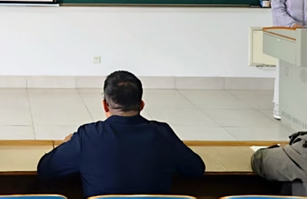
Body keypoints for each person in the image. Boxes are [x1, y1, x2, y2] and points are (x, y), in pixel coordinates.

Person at [36, 70, 205, 197]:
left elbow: (46, 169)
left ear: (105, 105)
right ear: (141, 105)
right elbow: (196, 169)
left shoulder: (87, 136)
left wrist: (67, 144)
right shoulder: (163, 134)